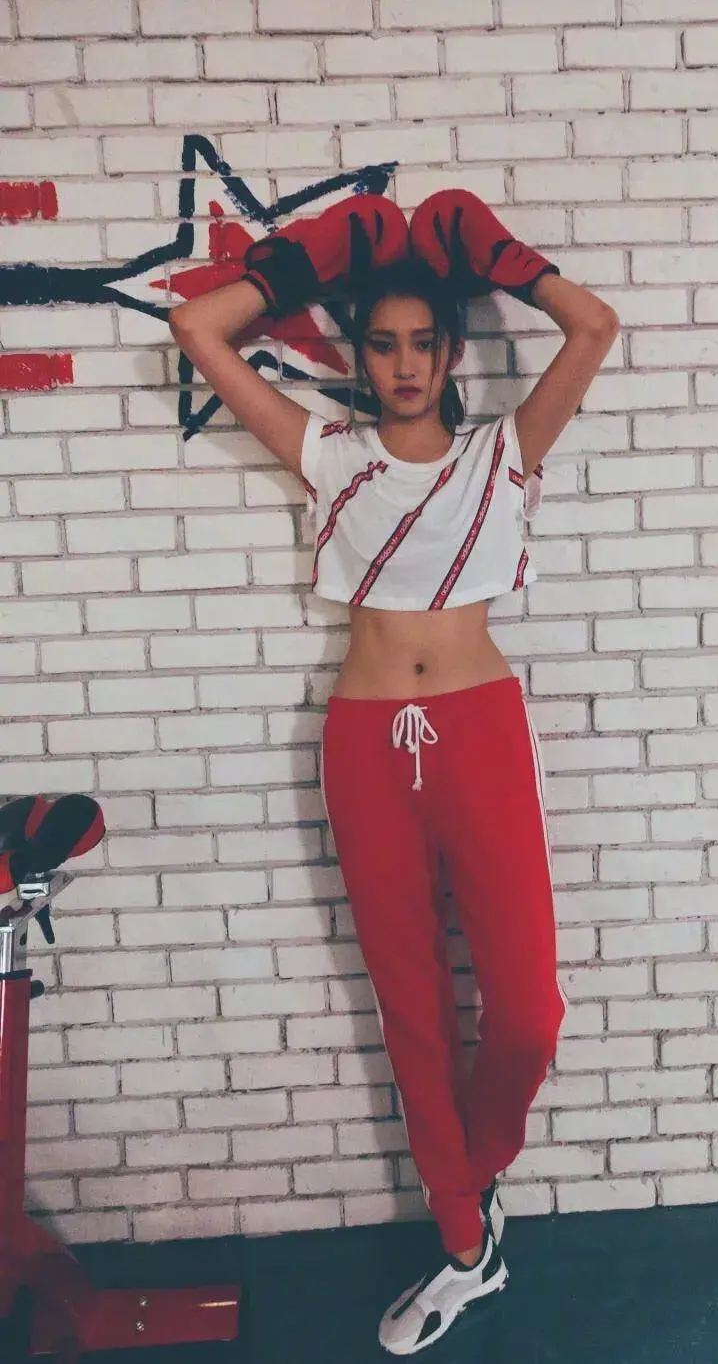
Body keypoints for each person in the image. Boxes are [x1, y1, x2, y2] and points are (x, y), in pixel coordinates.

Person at [168, 188, 619, 1355]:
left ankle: (473, 1173)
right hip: (365, 746)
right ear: (358, 357)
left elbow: (593, 326)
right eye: (382, 343)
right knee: (411, 1010)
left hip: (479, 734)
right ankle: (465, 1246)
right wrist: (314, 256)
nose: (406, 364)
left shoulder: (500, 453)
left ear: (452, 351)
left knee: (525, 1013)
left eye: (425, 342)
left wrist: (497, 257)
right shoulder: (329, 453)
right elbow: (199, 328)